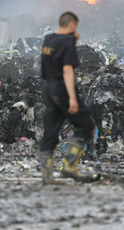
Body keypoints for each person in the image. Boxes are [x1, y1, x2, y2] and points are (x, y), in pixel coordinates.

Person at [39, 11, 95, 184]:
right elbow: (67, 69)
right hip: (62, 87)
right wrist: (72, 97)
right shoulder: (67, 41)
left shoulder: (49, 39)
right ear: (72, 25)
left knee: (51, 131)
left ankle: (47, 175)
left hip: (48, 87)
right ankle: (69, 166)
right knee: (86, 125)